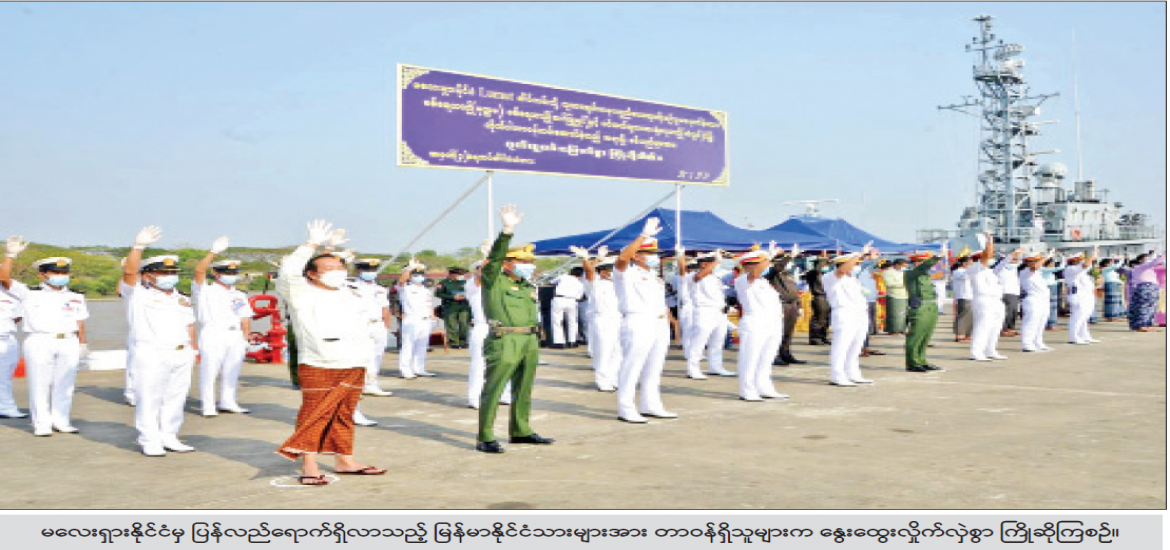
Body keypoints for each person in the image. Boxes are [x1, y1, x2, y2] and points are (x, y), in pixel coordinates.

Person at [275, 220, 386, 484]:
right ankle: (309, 465)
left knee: (344, 414)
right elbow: (289, 272)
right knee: (315, 414)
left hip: (354, 361)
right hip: (320, 361)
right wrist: (311, 244)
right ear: (312, 274)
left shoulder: (351, 291)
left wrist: (333, 251)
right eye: (328, 268)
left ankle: (344, 459)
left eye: (339, 268)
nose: (336, 272)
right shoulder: (300, 292)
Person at [475, 204, 554, 453]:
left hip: (529, 339)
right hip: (504, 339)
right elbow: (493, 260)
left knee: (524, 388)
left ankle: (521, 430)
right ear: (507, 263)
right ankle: (485, 436)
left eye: (530, 262)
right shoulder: (493, 280)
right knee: (494, 388)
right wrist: (507, 231)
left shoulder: (527, 284)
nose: (529, 265)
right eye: (523, 261)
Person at [119, 226, 199, 455]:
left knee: (176, 397)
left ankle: (169, 436)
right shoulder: (138, 295)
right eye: (163, 273)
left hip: (181, 352)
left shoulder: (181, 298)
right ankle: (149, 440)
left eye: (172, 272)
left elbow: (189, 325)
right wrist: (138, 247)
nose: (169, 277)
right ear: (147, 275)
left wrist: (193, 349)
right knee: (149, 398)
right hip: (152, 352)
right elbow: (129, 273)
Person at [1, 237, 90, 436]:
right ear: (42, 275)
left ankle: (61, 420)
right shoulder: (28, 293)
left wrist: (82, 343)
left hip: (68, 341)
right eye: (55, 272)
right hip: (40, 340)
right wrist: (10, 255)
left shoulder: (76, 296)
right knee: (39, 384)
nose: (61, 276)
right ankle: (41, 423)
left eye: (64, 272)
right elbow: (4, 278)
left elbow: (80, 322)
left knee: (65, 384)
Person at [613, 218, 676, 423]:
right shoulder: (626, 272)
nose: (653, 257)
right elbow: (622, 258)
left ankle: (651, 404)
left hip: (658, 322)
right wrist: (643, 236)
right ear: (636, 255)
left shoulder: (654, 276)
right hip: (638, 321)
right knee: (632, 366)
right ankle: (626, 408)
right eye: (648, 253)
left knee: (654, 367)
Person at [192, 237, 254, 417]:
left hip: (235, 335)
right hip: (213, 333)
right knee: (209, 371)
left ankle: (228, 401)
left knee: (232, 371)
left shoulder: (239, 294)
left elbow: (245, 316)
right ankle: (208, 405)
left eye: (234, 272)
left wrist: (246, 336)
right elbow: (199, 271)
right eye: (227, 272)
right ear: (216, 273)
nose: (232, 275)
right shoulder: (205, 290)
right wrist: (213, 252)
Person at [733, 244, 788, 401]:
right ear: (749, 265)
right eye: (763, 263)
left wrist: (770, 257)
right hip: (755, 323)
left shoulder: (763, 281)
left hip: (772, 323)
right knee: (750, 358)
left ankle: (764, 387)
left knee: (767, 358)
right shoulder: (743, 280)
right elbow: (755, 272)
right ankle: (747, 390)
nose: (767, 265)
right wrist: (768, 256)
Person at [680, 248, 734, 379]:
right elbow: (697, 276)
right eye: (712, 263)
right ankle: (693, 369)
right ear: (704, 264)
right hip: (704, 311)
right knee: (699, 342)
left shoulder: (715, 278)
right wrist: (717, 260)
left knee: (718, 341)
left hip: (719, 312)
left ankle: (715, 366)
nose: (716, 265)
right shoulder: (694, 276)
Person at [573, 245, 622, 392]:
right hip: (603, 319)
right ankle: (602, 381)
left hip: (618, 319)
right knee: (604, 351)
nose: (610, 272)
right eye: (608, 269)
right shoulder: (594, 284)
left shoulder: (619, 284)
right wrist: (587, 259)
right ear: (601, 271)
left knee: (618, 352)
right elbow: (589, 271)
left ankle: (613, 378)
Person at [823, 248, 874, 386]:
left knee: (856, 346)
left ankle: (853, 374)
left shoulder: (852, 279)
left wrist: (866, 257)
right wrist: (859, 254)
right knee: (842, 346)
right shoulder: (831, 276)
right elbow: (842, 270)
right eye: (854, 264)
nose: (855, 266)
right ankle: (837, 376)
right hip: (844, 313)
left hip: (859, 313)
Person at [351, 258, 393, 397]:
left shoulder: (380, 289)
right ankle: (360, 384)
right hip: (361, 324)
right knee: (362, 356)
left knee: (377, 356)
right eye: (367, 270)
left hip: (378, 324)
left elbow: (385, 308)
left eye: (373, 270)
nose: (370, 272)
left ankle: (371, 383)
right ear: (358, 270)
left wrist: (386, 326)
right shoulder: (351, 286)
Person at [764, 244, 807, 366]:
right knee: (779, 332)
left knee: (788, 332)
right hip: (781, 305)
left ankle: (785, 353)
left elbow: (793, 290)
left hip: (792, 304)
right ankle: (775, 355)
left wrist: (799, 305)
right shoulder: (773, 273)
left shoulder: (787, 274)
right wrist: (790, 256)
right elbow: (776, 268)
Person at [968, 233, 1008, 362]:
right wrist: (990, 240)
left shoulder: (989, 271)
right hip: (984, 300)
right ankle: (976, 352)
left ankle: (990, 350)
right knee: (983, 327)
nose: (991, 256)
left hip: (996, 300)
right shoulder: (975, 268)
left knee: (995, 327)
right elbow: (987, 255)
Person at [904, 249, 944, 373]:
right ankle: (912, 362)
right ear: (916, 263)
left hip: (931, 306)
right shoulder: (911, 274)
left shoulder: (925, 276)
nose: (926, 264)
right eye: (922, 261)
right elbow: (924, 267)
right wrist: (937, 257)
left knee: (926, 336)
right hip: (920, 307)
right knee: (916, 336)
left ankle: (921, 360)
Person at [397, 260, 437, 378]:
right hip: (412, 319)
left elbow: (429, 305)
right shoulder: (406, 288)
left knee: (422, 346)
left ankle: (419, 368)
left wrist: (433, 318)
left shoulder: (426, 290)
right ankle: (405, 369)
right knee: (408, 345)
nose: (418, 277)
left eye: (420, 275)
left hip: (425, 320)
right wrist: (410, 268)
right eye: (415, 275)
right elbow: (401, 281)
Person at [1019, 252, 1054, 352]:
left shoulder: (1037, 272)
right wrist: (1046, 257)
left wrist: (1045, 258)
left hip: (1043, 300)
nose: (1036, 262)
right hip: (1033, 300)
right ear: (1028, 262)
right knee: (1031, 322)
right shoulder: (1025, 271)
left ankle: (1038, 342)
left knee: (1041, 322)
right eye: (1034, 261)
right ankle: (1027, 344)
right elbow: (1035, 266)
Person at [1064, 248, 1100, 345]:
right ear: (1075, 261)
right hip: (1078, 295)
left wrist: (1095, 254)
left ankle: (1084, 335)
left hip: (1086, 295)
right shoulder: (1071, 269)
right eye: (1080, 259)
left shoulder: (1080, 270)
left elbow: (1089, 265)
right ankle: (1074, 337)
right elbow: (1086, 264)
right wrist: (1092, 255)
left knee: (1085, 317)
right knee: (1078, 317)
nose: (1082, 261)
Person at [0, 277, 23, 419]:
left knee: (5, 376)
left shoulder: (12, 293)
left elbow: (17, 317)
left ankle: (6, 407)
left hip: (7, 338)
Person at [1127, 252, 1165, 332]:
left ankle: (1143, 325)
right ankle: (1142, 325)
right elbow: (1156, 261)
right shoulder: (1142, 266)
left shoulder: (1144, 268)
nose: (1149, 259)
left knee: (1148, 307)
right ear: (1140, 260)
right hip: (1147, 287)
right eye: (1147, 257)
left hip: (1146, 287)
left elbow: (1159, 264)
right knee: (1146, 307)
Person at [435, 267, 471, 349]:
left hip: (464, 306)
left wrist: (466, 296)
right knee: (451, 325)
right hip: (450, 307)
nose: (461, 276)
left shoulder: (465, 282)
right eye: (459, 275)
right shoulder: (443, 283)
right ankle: (454, 342)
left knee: (464, 324)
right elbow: (438, 294)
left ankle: (463, 342)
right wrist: (452, 297)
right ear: (452, 274)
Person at [549, 267, 585, 349]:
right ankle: (572, 341)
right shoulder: (580, 284)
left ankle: (559, 342)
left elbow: (551, 282)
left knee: (557, 321)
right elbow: (580, 296)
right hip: (572, 301)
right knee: (572, 321)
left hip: (559, 298)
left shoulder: (563, 276)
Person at [804, 252, 832, 345]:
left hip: (827, 297)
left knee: (826, 319)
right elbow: (817, 270)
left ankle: (823, 336)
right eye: (823, 264)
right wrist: (822, 260)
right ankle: (815, 338)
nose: (825, 266)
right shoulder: (812, 273)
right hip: (819, 297)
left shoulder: (824, 274)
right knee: (818, 318)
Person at [995, 249, 1024, 337]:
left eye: (1015, 260)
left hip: (1014, 292)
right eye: (1013, 259)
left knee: (1013, 311)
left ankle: (1010, 328)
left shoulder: (1014, 268)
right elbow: (1006, 260)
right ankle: (1003, 329)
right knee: (1005, 312)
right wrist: (1015, 253)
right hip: (1005, 292)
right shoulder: (1000, 267)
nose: (1015, 261)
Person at [881, 259, 909, 335]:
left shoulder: (904, 272)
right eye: (903, 266)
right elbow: (889, 284)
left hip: (905, 295)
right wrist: (904, 283)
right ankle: (893, 330)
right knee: (894, 314)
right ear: (897, 265)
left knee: (904, 314)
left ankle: (902, 329)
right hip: (894, 295)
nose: (905, 267)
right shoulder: (887, 272)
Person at [950, 256, 974, 342]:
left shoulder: (967, 271)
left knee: (970, 317)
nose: (972, 265)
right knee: (962, 316)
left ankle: (967, 334)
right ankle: (959, 334)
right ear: (964, 264)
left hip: (970, 296)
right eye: (970, 263)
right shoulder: (957, 272)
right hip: (963, 296)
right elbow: (965, 276)